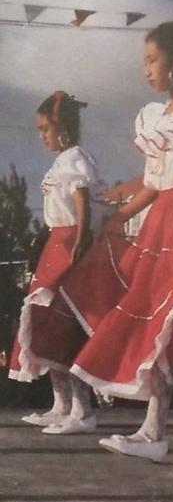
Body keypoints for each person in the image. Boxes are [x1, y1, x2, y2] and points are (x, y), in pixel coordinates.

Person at [61, 21, 173, 460]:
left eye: (153, 60)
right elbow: (155, 184)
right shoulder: (155, 118)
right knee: (153, 323)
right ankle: (155, 429)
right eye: (145, 62)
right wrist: (119, 216)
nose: (146, 70)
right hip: (162, 222)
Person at [9, 91, 105, 433]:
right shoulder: (61, 161)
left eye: (45, 129)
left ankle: (82, 410)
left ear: (62, 128)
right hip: (55, 245)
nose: (41, 136)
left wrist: (80, 238)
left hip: (69, 244)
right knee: (45, 323)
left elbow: (82, 199)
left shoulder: (75, 158)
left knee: (66, 326)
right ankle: (60, 402)